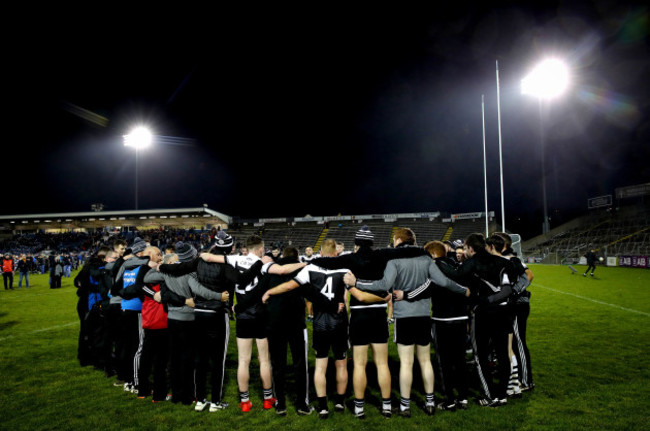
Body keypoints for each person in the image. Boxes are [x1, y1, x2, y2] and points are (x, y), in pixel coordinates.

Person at [344, 229, 469, 417]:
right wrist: (463, 290)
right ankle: (430, 401)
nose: (393, 243)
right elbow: (443, 281)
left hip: (403, 317)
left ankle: (404, 405)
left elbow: (383, 285)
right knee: (425, 360)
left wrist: (357, 282)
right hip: (423, 315)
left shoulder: (394, 260)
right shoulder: (425, 258)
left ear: (400, 240)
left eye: (394, 239)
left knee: (406, 363)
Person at [310, 225, 425, 419]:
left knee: (360, 365)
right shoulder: (382, 255)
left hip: (359, 314)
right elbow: (410, 250)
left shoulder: (350, 258)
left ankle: (359, 407)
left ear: (356, 242)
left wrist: (307, 261)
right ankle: (387, 405)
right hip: (379, 313)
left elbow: (327, 263)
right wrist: (423, 249)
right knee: (382, 364)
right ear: (372, 242)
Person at [157, 231, 267, 412]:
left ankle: (200, 400)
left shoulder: (200, 261)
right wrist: (258, 264)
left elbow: (179, 269)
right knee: (217, 361)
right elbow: (242, 280)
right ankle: (215, 402)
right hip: (217, 313)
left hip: (199, 313)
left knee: (200, 359)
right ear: (230, 248)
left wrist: (162, 267)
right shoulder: (225, 265)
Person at [200, 234, 306, 413]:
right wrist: (303, 264)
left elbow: (212, 257)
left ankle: (245, 401)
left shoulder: (235, 259)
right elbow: (282, 271)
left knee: (243, 360)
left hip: (243, 315)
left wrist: (204, 256)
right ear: (260, 249)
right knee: (264, 359)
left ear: (246, 248)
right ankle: (267, 398)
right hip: (261, 314)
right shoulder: (264, 263)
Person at [262, 239, 348, 419]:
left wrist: (270, 292)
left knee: (318, 365)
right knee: (339, 363)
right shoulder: (345, 269)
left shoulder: (309, 268)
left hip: (317, 322)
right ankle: (338, 402)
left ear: (321, 253)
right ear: (336, 252)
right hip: (338, 321)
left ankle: (320, 406)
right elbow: (350, 294)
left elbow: (290, 285)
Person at [143, 241, 223, 406]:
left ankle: (177, 395)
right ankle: (187, 396)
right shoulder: (187, 273)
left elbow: (147, 277)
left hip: (172, 319)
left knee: (174, 357)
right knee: (188, 358)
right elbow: (200, 291)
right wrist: (219, 296)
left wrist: (159, 267)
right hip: (188, 319)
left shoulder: (166, 273)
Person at [449, 233, 518, 407]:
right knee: (503, 354)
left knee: (481, 355)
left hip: (483, 314)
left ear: (471, 248)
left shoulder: (471, 263)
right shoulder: (505, 263)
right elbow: (509, 288)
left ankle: (489, 395)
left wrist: (437, 263)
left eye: (465, 249)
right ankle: (501, 394)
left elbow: (454, 278)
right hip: (503, 312)